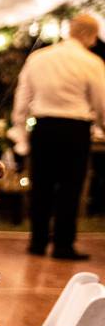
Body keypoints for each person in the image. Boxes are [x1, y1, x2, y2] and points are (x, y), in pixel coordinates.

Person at [12, 13, 105, 260]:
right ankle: (63, 245)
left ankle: (38, 241)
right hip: (75, 129)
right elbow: (101, 102)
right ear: (89, 35)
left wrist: (20, 128)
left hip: (43, 127)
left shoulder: (39, 58)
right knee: (70, 187)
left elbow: (22, 97)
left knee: (41, 185)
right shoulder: (92, 62)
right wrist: (103, 126)